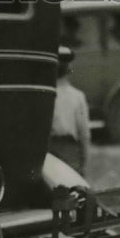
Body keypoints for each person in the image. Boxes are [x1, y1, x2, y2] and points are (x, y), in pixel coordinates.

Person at [49, 45, 91, 175]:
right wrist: (85, 163)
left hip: (50, 152)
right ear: (69, 69)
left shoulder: (45, 95)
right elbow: (84, 134)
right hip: (69, 152)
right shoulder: (77, 96)